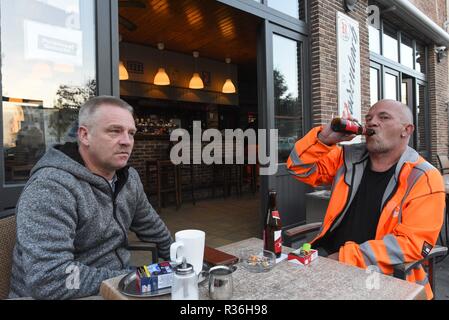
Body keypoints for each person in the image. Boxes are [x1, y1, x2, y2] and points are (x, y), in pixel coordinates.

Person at [9, 96, 173, 299]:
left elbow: (153, 227)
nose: (126, 141)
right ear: (85, 135)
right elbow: (51, 280)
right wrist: (130, 278)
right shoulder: (51, 187)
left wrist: (179, 260)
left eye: (131, 133)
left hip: (114, 285)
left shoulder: (128, 178)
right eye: (115, 131)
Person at [286, 99, 445, 299]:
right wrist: (324, 139)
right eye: (368, 118)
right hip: (326, 262)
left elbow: (413, 244)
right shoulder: (346, 157)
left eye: (383, 117)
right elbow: (298, 168)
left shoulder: (423, 177)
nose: (372, 122)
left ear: (407, 130)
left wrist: (342, 258)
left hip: (383, 279)